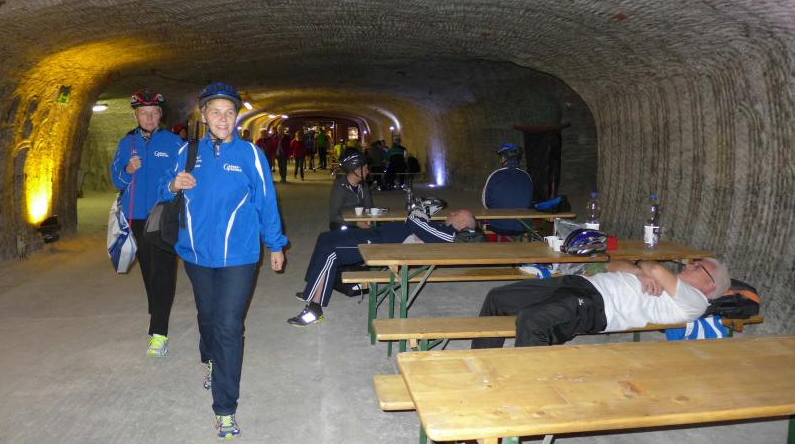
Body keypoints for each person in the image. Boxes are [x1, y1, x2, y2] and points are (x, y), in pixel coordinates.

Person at [161, 82, 288, 440]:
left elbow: (266, 201)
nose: (223, 118)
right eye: (215, 112)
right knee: (207, 316)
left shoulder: (250, 154)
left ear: (236, 118)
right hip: (197, 253)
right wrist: (173, 185)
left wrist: (275, 245)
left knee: (229, 326)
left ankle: (224, 408)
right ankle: (210, 359)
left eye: (229, 113)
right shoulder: (187, 151)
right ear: (204, 116)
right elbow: (161, 191)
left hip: (239, 255)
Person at [471, 258, 731, 349]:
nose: (689, 265)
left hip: (598, 306)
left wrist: (646, 269)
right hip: (579, 283)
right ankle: (481, 363)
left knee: (532, 320)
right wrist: (639, 272)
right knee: (497, 297)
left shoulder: (695, 300)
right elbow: (612, 264)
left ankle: (523, 395)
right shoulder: (667, 280)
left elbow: (653, 266)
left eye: (697, 267)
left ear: (710, 285)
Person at [287, 209, 477, 326]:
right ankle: (311, 288)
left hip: (379, 245)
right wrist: (420, 215)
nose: (450, 214)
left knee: (331, 250)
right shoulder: (440, 229)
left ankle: (315, 309)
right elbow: (416, 222)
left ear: (461, 223)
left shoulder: (447, 234)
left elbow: (414, 219)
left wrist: (420, 211)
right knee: (325, 237)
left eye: (456, 214)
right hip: (378, 235)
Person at [110, 90, 184, 357]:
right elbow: (116, 180)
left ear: (160, 115)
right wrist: (127, 171)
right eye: (144, 113)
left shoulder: (174, 142)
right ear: (136, 115)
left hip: (164, 217)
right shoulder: (126, 143)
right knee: (148, 271)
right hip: (136, 218)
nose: (149, 118)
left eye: (154, 113)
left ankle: (158, 332)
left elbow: (186, 176)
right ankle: (158, 311)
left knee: (163, 272)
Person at [481, 143, 534, 237]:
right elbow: (529, 202)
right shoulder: (526, 176)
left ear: (504, 158)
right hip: (523, 226)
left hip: (499, 226)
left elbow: (485, 202)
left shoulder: (495, 175)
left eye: (501, 157)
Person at [328, 153, 373, 230]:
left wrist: (368, 220)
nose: (368, 171)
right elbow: (334, 215)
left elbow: (369, 207)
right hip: (343, 222)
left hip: (360, 220)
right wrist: (356, 223)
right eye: (365, 169)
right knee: (345, 231)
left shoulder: (364, 185)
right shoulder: (340, 186)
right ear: (356, 170)